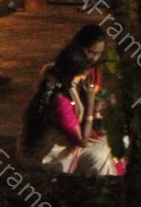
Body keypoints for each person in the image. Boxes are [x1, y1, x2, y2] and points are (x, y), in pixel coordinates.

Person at [19, 47, 120, 175]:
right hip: (45, 157)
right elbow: (82, 141)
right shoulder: (61, 102)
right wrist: (89, 106)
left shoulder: (50, 87)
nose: (83, 84)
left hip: (34, 150)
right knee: (101, 154)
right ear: (71, 77)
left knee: (108, 141)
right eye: (79, 81)